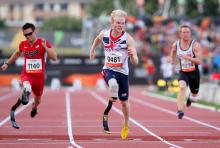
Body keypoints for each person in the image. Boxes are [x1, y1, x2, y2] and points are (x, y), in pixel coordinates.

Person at [89, 9, 138, 139]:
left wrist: (133, 56)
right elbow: (97, 40)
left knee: (124, 102)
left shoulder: (128, 39)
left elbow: (135, 61)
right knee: (112, 84)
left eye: (122, 23)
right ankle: (111, 96)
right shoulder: (104, 34)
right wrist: (92, 50)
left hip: (123, 73)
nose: (120, 25)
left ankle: (126, 123)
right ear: (112, 22)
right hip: (108, 69)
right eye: (117, 23)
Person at [1, 22, 57, 128]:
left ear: (34, 31)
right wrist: (7, 63)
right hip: (27, 74)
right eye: (25, 35)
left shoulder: (43, 42)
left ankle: (34, 108)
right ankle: (26, 91)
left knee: (38, 100)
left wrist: (46, 47)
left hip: (39, 77)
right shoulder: (23, 44)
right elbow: (16, 53)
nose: (28, 36)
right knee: (27, 86)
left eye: (29, 34)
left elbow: (54, 57)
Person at [170, 25, 202, 119]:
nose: (186, 34)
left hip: (194, 73)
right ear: (180, 34)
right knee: (182, 87)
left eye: (188, 32)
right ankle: (180, 111)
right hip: (183, 72)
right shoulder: (176, 44)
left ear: (190, 33)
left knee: (194, 97)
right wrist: (172, 60)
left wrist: (188, 58)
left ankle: (190, 98)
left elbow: (199, 61)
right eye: (184, 32)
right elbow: (173, 51)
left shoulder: (195, 45)